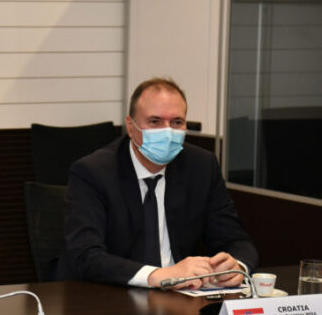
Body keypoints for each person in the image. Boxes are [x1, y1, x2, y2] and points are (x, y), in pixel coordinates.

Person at [60, 77, 258, 289]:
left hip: (184, 294)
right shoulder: (93, 172)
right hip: (112, 293)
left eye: (177, 122)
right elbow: (86, 256)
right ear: (131, 126)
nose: (168, 132)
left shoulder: (201, 166)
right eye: (154, 121)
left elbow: (236, 241)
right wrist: (158, 275)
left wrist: (235, 266)